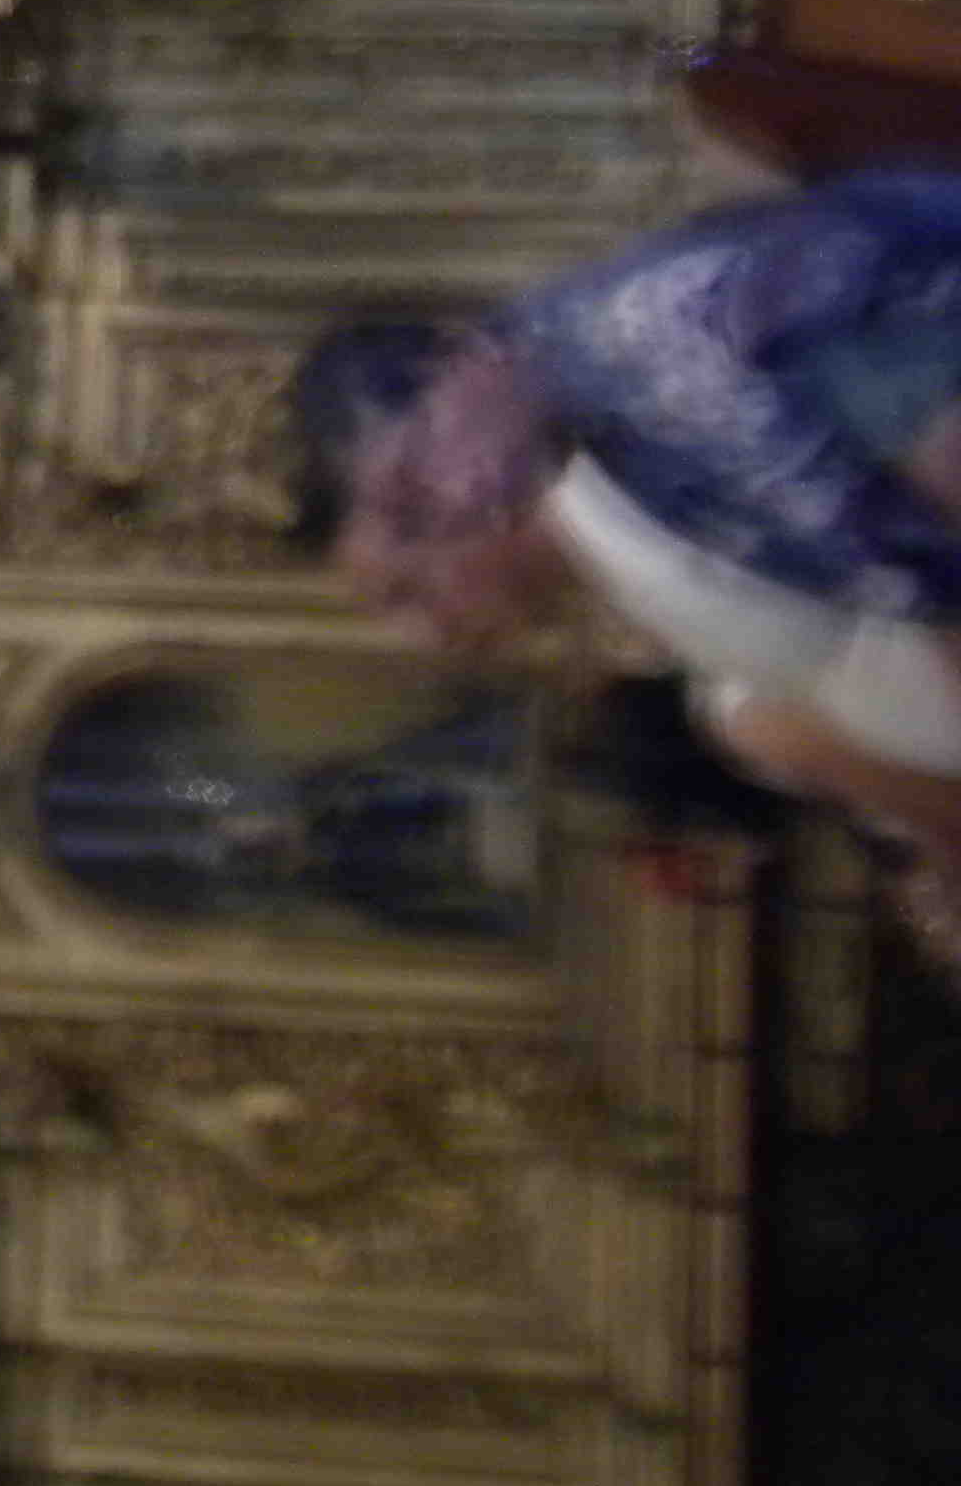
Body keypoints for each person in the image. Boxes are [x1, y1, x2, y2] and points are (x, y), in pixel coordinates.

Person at [293, 169, 961, 968]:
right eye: (419, 516)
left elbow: (934, 459)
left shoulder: (650, 346)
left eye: (417, 479)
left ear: (458, 354)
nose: (459, 499)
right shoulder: (599, 440)